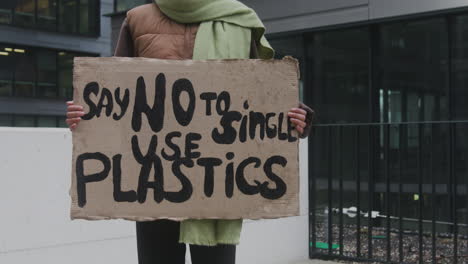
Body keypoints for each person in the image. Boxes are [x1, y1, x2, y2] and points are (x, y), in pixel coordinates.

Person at [66, 0, 315, 263]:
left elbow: (259, 95)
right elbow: (115, 95)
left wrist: (294, 118)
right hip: (153, 180)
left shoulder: (240, 20)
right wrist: (86, 116)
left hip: (218, 185)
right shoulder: (138, 18)